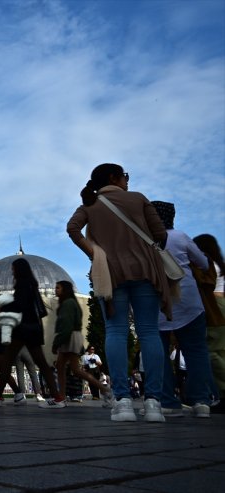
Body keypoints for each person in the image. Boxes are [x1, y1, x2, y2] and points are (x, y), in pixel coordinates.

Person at [67, 163, 171, 422]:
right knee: (149, 332)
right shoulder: (138, 199)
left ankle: (123, 401)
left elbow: (72, 229)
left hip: (109, 273)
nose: (127, 181)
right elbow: (160, 234)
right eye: (125, 176)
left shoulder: (90, 204)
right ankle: (153, 403)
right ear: (114, 177)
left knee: (115, 330)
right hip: (145, 270)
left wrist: (95, 252)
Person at [151, 201, 213, 418]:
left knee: (159, 354)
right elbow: (204, 264)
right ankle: (201, 401)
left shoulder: (145, 241)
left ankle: (168, 401)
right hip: (189, 302)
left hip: (157, 304)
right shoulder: (180, 237)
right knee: (196, 352)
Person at [0, 258, 65, 409]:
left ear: (18, 270)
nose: (11, 271)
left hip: (23, 329)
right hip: (34, 328)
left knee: (7, 362)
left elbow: (20, 304)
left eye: (13, 269)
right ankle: (57, 397)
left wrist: (1, 307)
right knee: (41, 364)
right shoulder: (32, 284)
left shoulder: (22, 284)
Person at [52, 280, 113, 405]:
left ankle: (105, 390)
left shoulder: (68, 303)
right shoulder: (69, 302)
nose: (55, 290)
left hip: (69, 337)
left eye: (58, 287)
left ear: (65, 289)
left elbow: (67, 325)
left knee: (73, 369)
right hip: (71, 336)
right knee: (64, 367)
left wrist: (57, 342)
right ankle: (61, 397)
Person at [192, 234, 225, 414]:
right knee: (221, 351)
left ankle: (222, 392)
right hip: (222, 304)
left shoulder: (207, 263)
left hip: (213, 305)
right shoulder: (220, 263)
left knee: (211, 351)